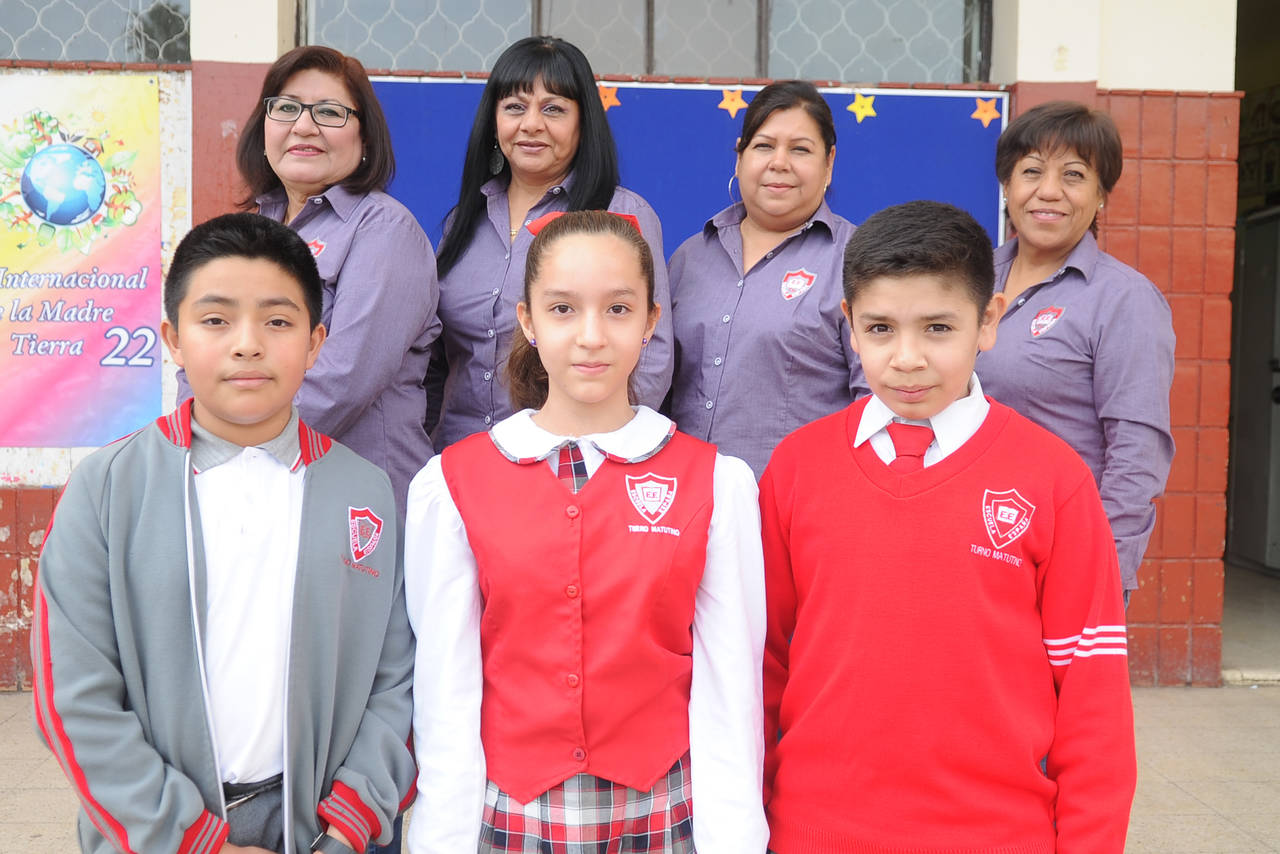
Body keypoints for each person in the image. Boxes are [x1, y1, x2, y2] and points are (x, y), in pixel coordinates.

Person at [32, 213, 415, 854]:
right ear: (173, 339)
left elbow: (395, 679)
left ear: (316, 342)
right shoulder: (107, 488)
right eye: (215, 320)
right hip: (157, 834)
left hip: (319, 829)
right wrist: (186, 839)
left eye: (278, 322)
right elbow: (73, 697)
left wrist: (349, 822)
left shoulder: (365, 492)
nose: (247, 345)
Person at [760, 201, 1136, 853]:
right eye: (880, 328)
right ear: (849, 325)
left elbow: (1092, 695)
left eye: (938, 327)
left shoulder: (1055, 480)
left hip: (996, 836)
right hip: (813, 832)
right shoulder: (796, 468)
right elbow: (761, 665)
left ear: (988, 321)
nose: (907, 358)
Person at [405, 211, 767, 853]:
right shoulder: (453, 483)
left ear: (652, 321)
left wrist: (734, 840)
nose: (591, 336)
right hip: (510, 816)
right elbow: (445, 686)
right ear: (528, 321)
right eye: (563, 309)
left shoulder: (715, 483)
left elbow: (730, 685)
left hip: (662, 813)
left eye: (619, 309)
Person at [179, 44, 440, 514]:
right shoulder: (252, 228)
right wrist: (193, 448)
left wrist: (228, 448)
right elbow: (198, 358)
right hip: (247, 495)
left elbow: (341, 383)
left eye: (329, 112)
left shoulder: (385, 231)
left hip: (356, 508)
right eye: (286, 108)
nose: (303, 126)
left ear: (365, 138)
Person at [430, 35, 672, 449]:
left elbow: (652, 359)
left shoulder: (621, 214)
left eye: (553, 108)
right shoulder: (463, 222)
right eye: (514, 107)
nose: (531, 124)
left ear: (583, 122)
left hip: (571, 461)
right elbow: (434, 359)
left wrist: (592, 457)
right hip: (462, 456)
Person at [975, 100, 1174, 598]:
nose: (1049, 191)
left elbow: (1137, 454)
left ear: (1101, 194)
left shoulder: (1123, 299)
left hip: (1061, 554)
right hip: (967, 545)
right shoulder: (970, 280)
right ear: (1006, 186)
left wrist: (1099, 569)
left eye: (1074, 175)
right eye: (1032, 171)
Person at [666, 80, 866, 478]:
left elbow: (874, 400)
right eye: (763, 146)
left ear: (829, 163)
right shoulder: (690, 257)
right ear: (739, 157)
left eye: (800, 149)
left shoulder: (857, 260)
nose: (779, 162)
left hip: (797, 498)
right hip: (687, 495)